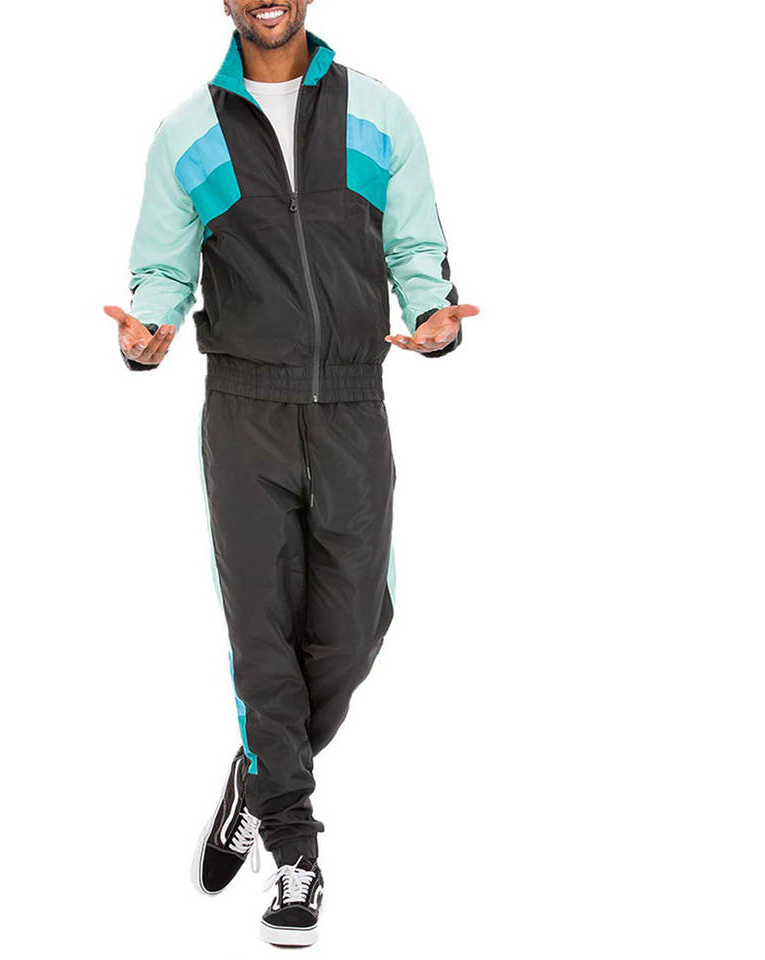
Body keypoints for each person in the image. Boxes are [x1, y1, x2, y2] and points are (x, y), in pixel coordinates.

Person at [104, 0, 479, 947]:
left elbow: (415, 246)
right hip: (246, 407)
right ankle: (294, 850)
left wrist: (433, 317)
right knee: (262, 634)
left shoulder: (380, 112)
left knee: (355, 627)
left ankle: (259, 772)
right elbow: (162, 270)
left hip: (353, 401)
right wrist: (149, 332)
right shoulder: (187, 131)